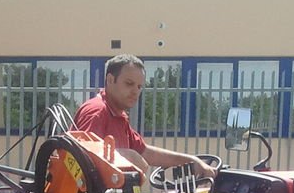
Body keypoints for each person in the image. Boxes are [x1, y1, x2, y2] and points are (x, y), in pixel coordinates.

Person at [74, 54, 217, 183]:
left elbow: (145, 152)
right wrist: (126, 155)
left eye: (139, 86)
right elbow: (82, 159)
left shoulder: (118, 115)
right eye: (129, 84)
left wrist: (191, 161)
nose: (135, 91)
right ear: (110, 80)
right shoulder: (97, 111)